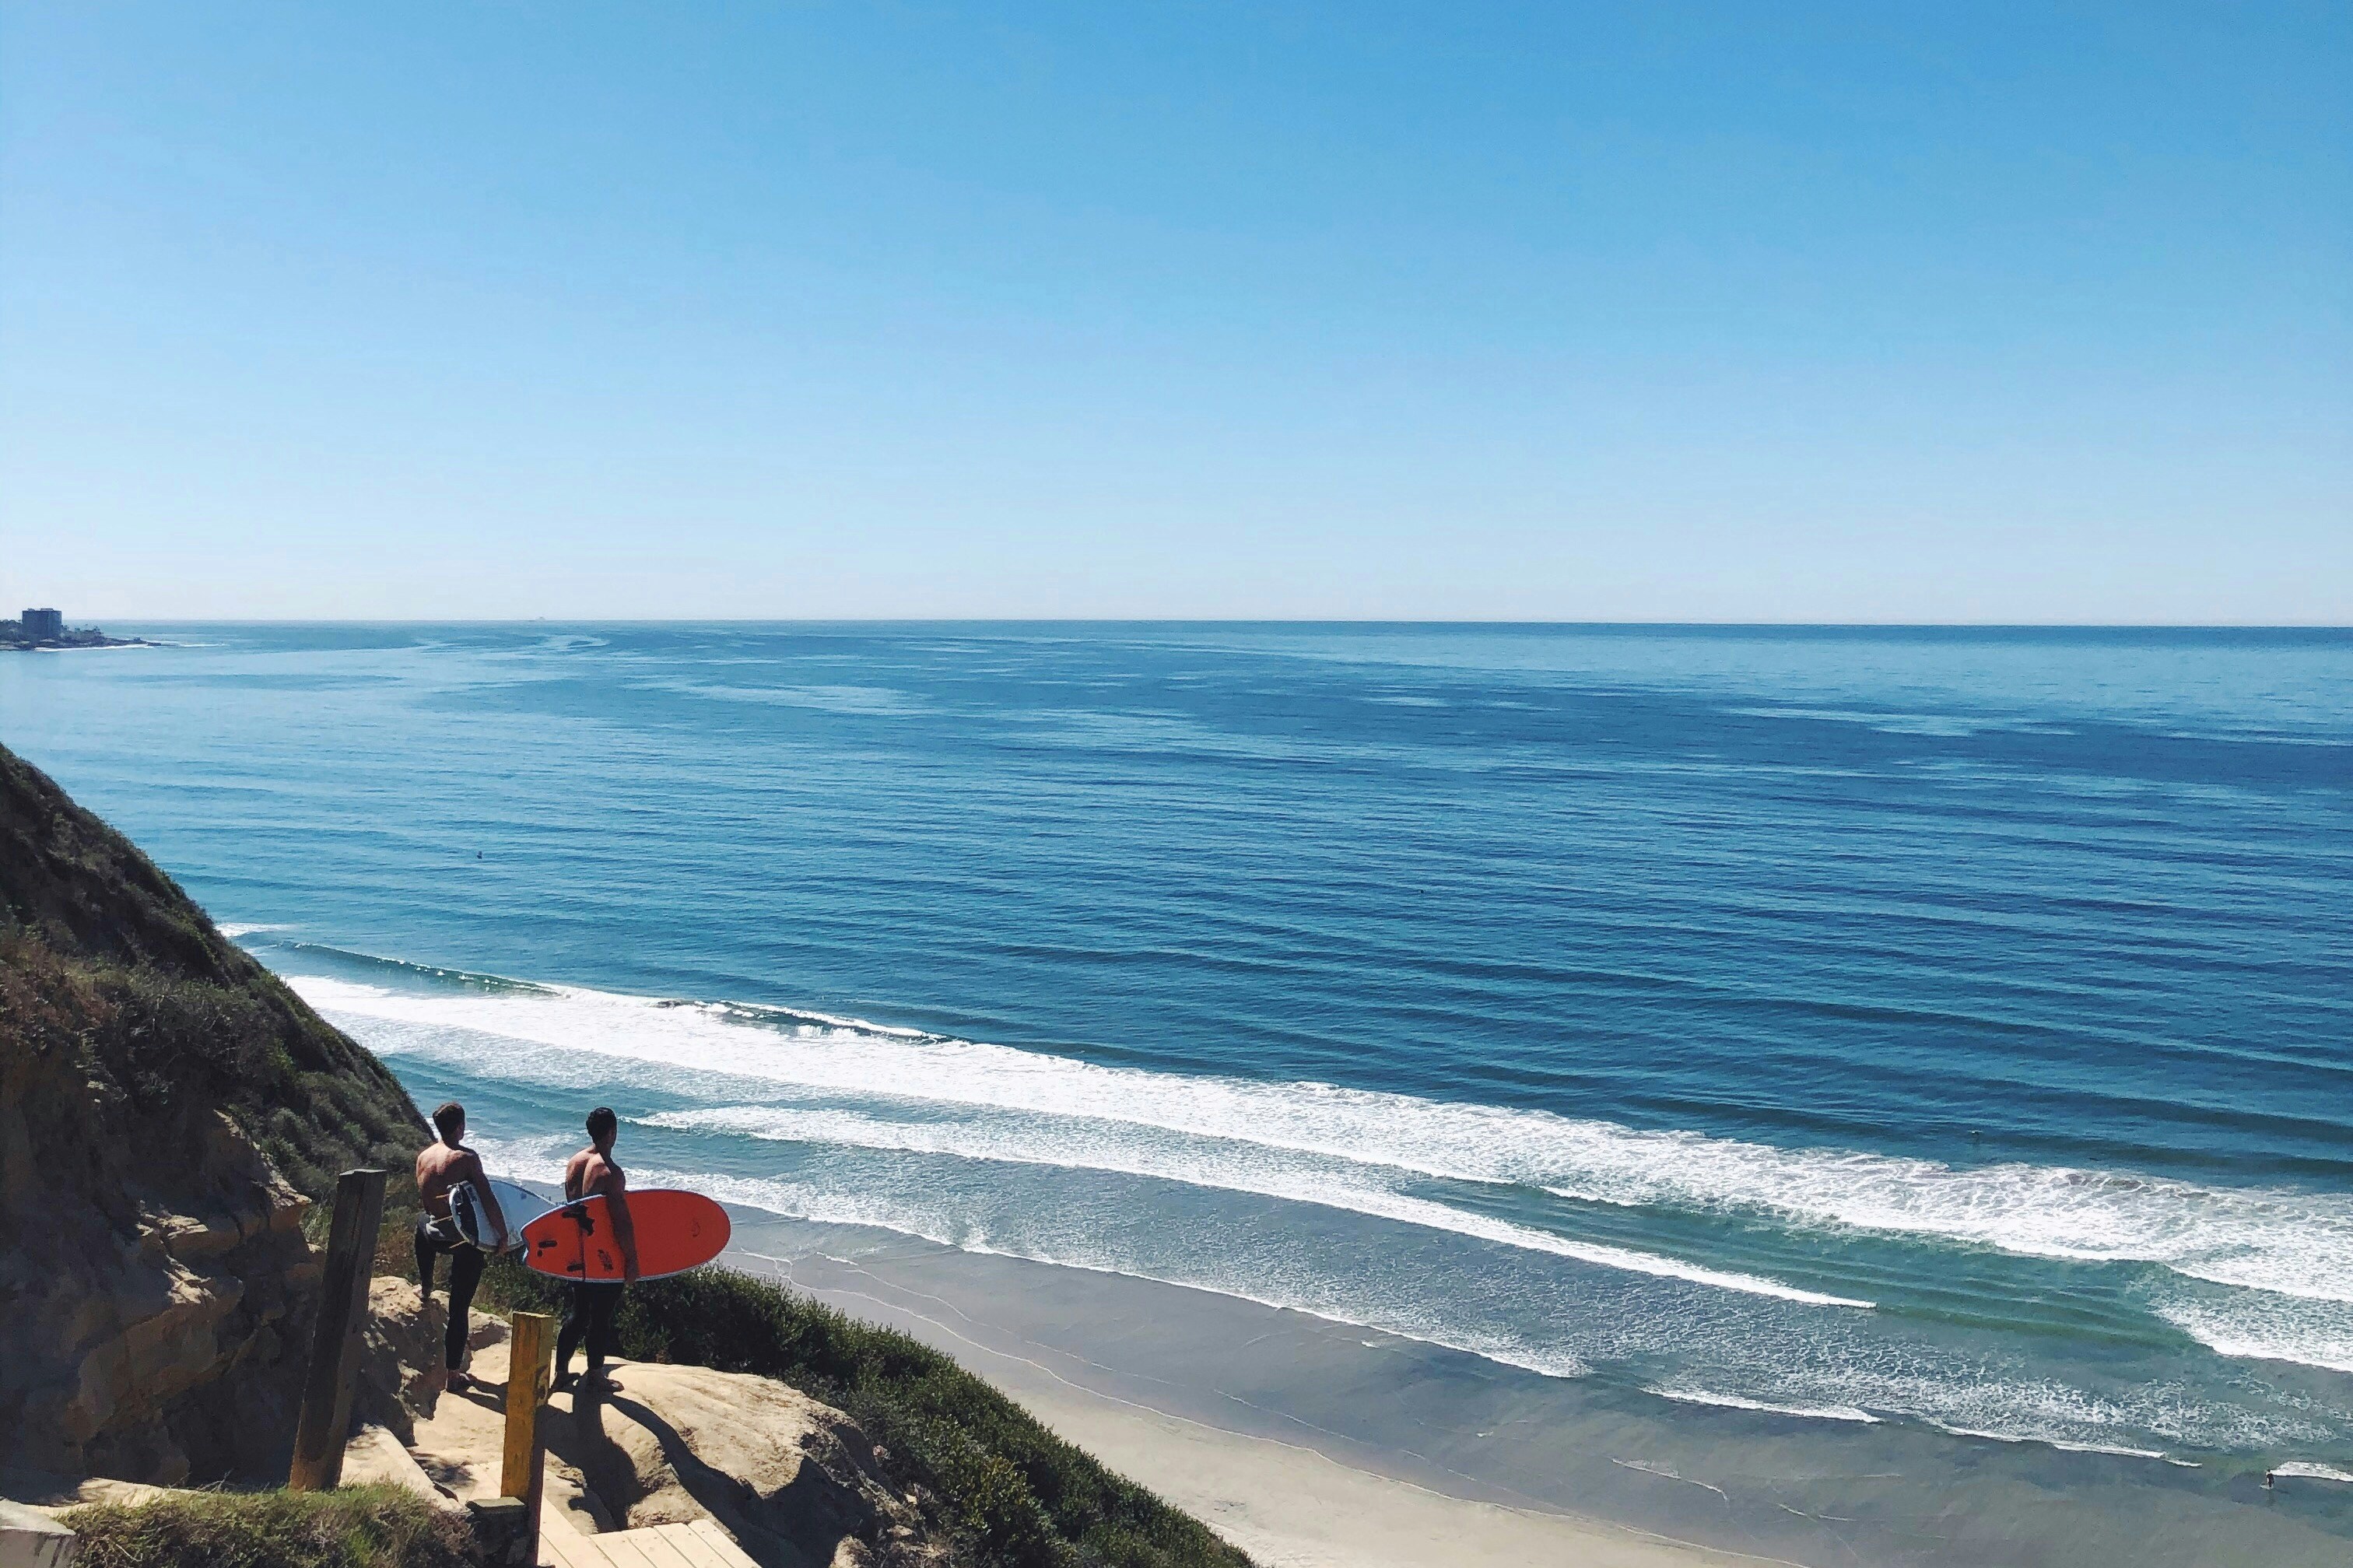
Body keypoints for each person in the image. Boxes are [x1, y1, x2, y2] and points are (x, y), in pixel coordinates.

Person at [413, 1101, 508, 1392]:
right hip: (459, 1239)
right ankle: (453, 1375)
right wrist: (502, 1235)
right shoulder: (466, 1158)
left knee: (421, 1222)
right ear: (460, 1128)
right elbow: (487, 1197)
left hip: (432, 1232)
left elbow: (427, 1196)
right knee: (459, 1307)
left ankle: (426, 1286)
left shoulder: (424, 1156)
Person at [553, 1105, 639, 1392]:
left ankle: (562, 1371)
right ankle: (595, 1375)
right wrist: (631, 1258)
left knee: (578, 1313)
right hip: (604, 1254)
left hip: (578, 1249)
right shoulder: (611, 1173)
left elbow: (572, 1207)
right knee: (600, 1316)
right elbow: (620, 1223)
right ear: (613, 1133)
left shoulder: (575, 1162)